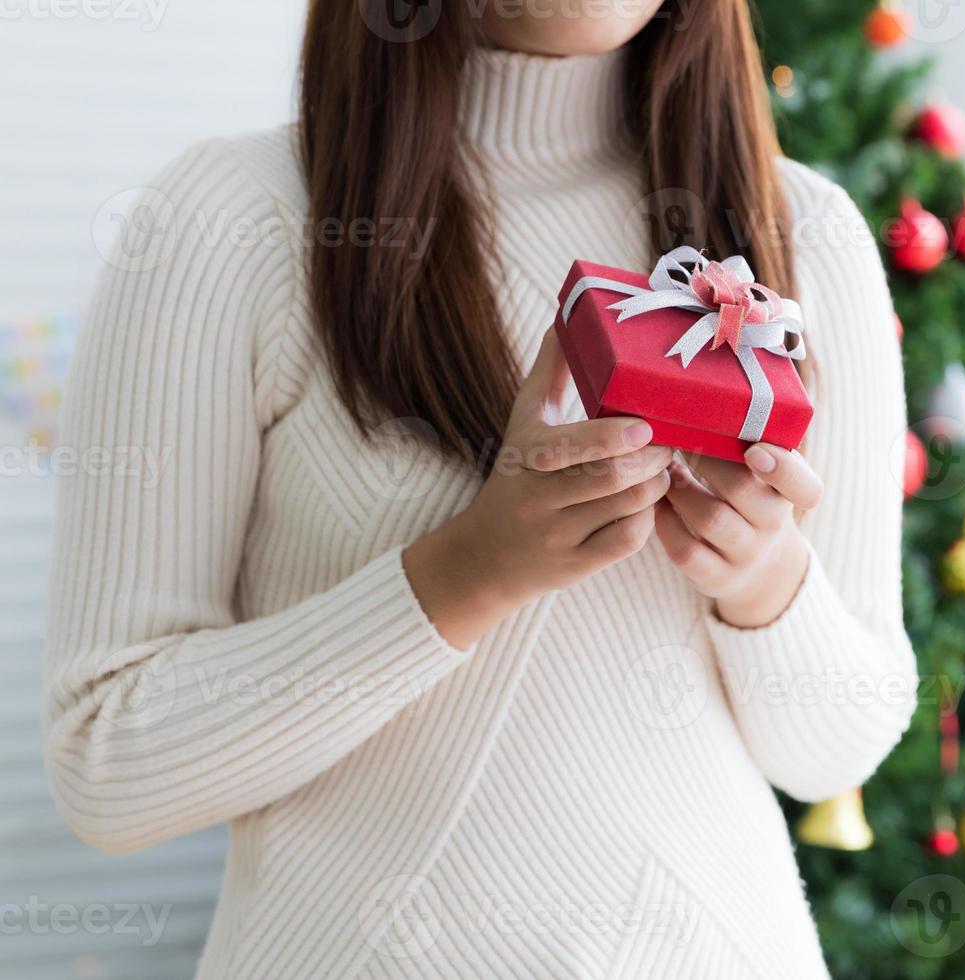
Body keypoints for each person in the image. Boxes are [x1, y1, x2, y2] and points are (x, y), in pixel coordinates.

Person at [44, 1, 916, 976]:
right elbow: (107, 762)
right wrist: (467, 571)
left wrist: (765, 583)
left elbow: (837, 748)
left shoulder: (806, 237)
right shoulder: (224, 223)